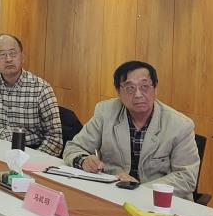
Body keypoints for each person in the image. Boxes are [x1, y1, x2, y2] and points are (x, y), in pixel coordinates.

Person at [62, 60, 201, 197]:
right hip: (113, 195)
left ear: (155, 88)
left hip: (159, 202)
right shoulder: (105, 112)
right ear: (118, 91)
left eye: (144, 86)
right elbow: (74, 148)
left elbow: (186, 177)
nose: (138, 94)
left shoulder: (180, 125)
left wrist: (139, 189)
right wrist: (83, 161)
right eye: (130, 88)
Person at [0, 34, 62, 155]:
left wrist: (31, 159)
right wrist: (12, 137)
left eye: (13, 53)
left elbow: (55, 139)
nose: (8, 59)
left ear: (22, 57)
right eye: (2, 55)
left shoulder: (41, 89)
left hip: (32, 151)